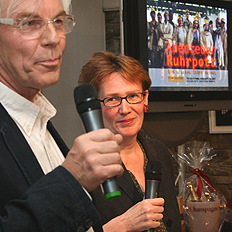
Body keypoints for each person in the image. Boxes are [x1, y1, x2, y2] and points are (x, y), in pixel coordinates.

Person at [0, 0, 123, 231]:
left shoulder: (35, 113)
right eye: (30, 23)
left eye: (58, 21)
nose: (54, 38)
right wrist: (72, 180)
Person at [78, 51, 182, 232]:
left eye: (133, 96)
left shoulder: (160, 153)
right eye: (112, 99)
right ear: (96, 107)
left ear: (145, 99)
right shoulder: (82, 167)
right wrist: (123, 225)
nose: (125, 109)